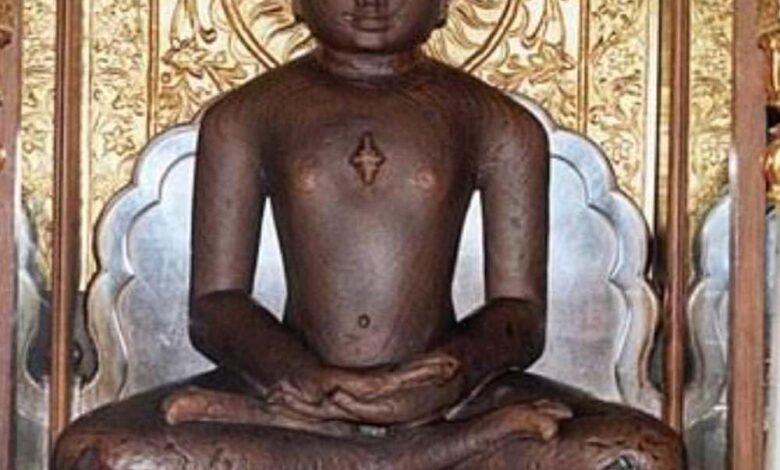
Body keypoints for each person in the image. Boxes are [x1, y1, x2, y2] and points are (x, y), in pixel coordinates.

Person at [55, 1, 684, 467]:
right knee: (95, 454)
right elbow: (215, 305)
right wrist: (302, 376)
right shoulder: (244, 117)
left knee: (642, 455)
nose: (372, 1)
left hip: (449, 400)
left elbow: (520, 311)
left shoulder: (499, 123)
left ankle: (394, 449)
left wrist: (453, 371)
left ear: (443, 5)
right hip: (289, 401)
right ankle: (413, 456)